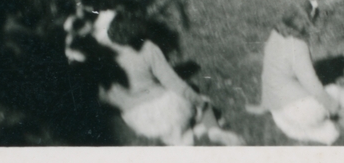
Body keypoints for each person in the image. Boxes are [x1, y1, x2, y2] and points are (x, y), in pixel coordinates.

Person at [68, 8, 244, 146]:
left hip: (137, 118)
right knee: (198, 101)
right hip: (167, 108)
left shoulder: (103, 51)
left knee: (172, 124)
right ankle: (212, 129)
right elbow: (173, 82)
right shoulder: (149, 49)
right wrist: (200, 101)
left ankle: (186, 133)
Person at [259, 0, 344, 144]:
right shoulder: (298, 46)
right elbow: (312, 85)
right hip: (296, 113)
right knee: (335, 93)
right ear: (307, 23)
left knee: (329, 99)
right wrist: (334, 108)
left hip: (280, 116)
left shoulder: (275, 34)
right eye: (313, 21)